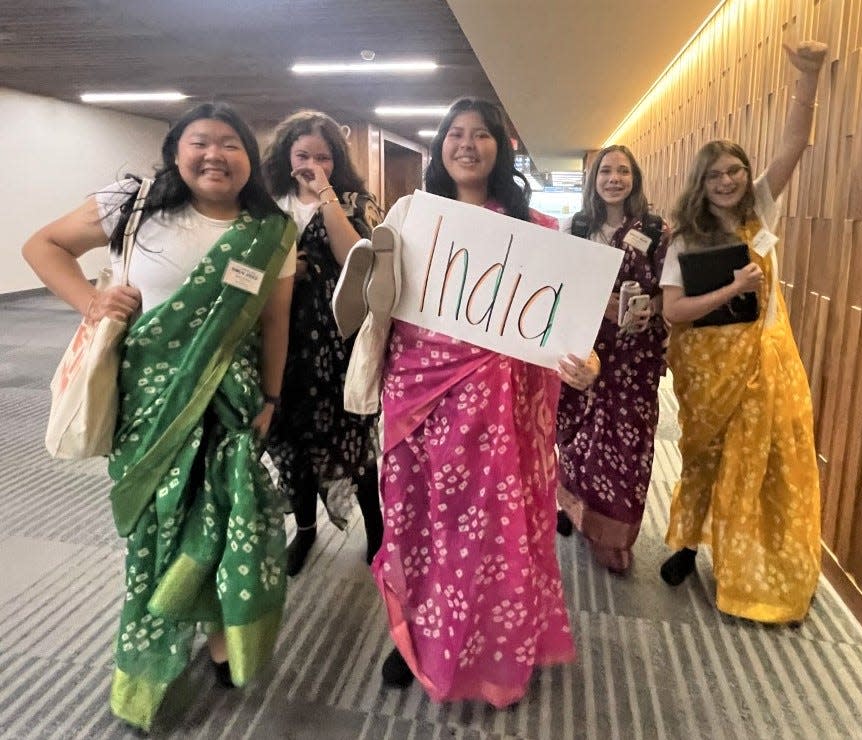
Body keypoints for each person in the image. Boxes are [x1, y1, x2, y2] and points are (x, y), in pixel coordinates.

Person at [22, 101, 296, 730]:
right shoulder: (135, 205)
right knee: (159, 522)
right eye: (201, 142)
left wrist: (273, 399)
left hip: (232, 400)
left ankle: (223, 637)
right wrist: (91, 301)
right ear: (176, 151)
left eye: (231, 144)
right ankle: (166, 631)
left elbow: (274, 321)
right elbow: (44, 246)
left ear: (249, 160)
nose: (215, 155)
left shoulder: (269, 228)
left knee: (229, 518)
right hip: (148, 403)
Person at [344, 98, 597, 706]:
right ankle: (414, 639)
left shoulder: (537, 231)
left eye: (481, 134)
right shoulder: (410, 218)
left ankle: (497, 647)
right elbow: (380, 304)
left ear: (501, 149)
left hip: (502, 415)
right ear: (439, 148)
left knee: (491, 534)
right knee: (419, 524)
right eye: (454, 134)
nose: (467, 144)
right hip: (420, 402)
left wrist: (583, 366)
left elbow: (564, 329)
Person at [658, 41, 827, 624]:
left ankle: (753, 570)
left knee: (765, 461)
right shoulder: (684, 240)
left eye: (734, 170)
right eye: (714, 175)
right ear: (700, 184)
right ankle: (684, 542)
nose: (727, 180)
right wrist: (734, 289)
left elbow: (794, 145)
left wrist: (806, 78)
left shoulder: (762, 213)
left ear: (746, 175)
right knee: (707, 456)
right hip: (708, 368)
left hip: (769, 362)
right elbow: (674, 313)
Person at [261, 110, 384, 576]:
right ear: (285, 156)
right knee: (291, 439)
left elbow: (354, 256)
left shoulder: (353, 199)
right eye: (303, 155)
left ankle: (377, 532)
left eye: (324, 157)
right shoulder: (268, 201)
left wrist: (326, 195)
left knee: (352, 438)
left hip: (336, 338)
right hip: (280, 338)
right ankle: (306, 531)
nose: (312, 164)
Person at [555, 145, 670, 575]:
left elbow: (670, 292)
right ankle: (573, 509)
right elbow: (558, 282)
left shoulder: (658, 231)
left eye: (623, 171)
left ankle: (614, 537)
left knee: (625, 445)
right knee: (577, 436)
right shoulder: (577, 226)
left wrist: (650, 309)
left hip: (633, 356)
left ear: (634, 179)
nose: (614, 178)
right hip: (583, 346)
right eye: (606, 170)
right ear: (594, 179)